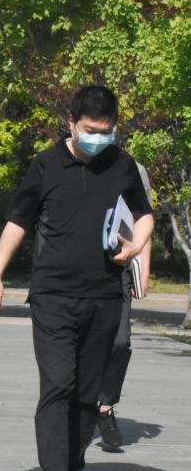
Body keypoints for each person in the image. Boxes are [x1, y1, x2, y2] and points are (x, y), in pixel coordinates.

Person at [0, 85, 153, 471]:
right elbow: (18, 221)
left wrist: (136, 248)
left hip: (105, 295)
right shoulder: (46, 164)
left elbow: (144, 214)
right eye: (90, 130)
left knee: (87, 392)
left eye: (106, 131)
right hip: (53, 295)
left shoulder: (122, 165)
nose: (98, 138)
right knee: (59, 383)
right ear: (71, 123)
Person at [97, 162, 153, 451]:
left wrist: (143, 268)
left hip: (119, 269)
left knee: (120, 343)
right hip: (78, 272)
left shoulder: (133, 169)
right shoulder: (66, 163)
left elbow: (143, 218)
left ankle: (105, 408)